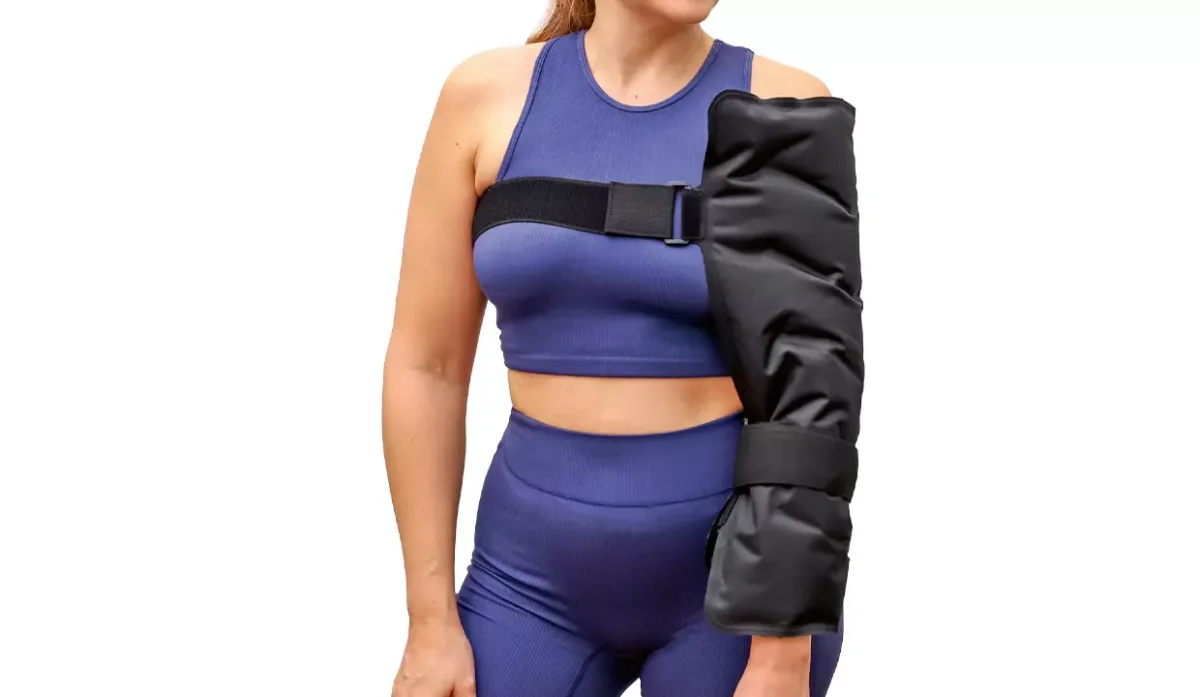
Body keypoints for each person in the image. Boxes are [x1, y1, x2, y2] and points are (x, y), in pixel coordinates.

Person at [382, 1, 864, 695]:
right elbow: (426, 365)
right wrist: (429, 620)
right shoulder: (484, 98)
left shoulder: (782, 103)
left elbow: (813, 396)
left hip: (732, 596)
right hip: (526, 584)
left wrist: (782, 650)